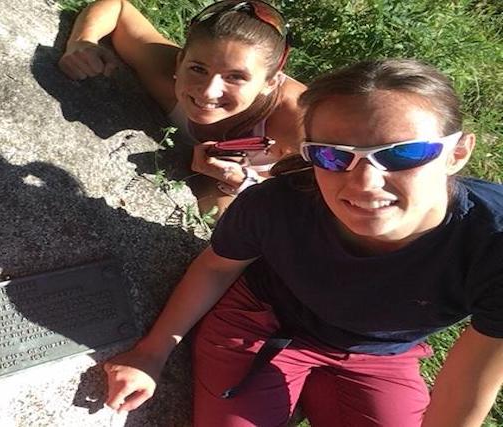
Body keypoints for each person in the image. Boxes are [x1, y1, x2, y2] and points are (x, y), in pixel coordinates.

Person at [102, 59, 503, 426]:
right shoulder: (279, 205)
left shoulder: (494, 245)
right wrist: (152, 353)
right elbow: (217, 266)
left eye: (404, 153)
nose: (364, 182)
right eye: (332, 156)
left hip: (381, 355)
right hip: (263, 322)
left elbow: (469, 384)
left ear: (458, 152)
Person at [59, 0, 306, 213]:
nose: (209, 90)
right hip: (218, 180)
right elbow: (119, 8)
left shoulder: (301, 119)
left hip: (262, 188)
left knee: (227, 218)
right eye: (198, 69)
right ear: (180, 61)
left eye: (236, 77)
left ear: (270, 82)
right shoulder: (165, 73)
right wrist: (83, 41)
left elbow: (328, 208)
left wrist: (240, 180)